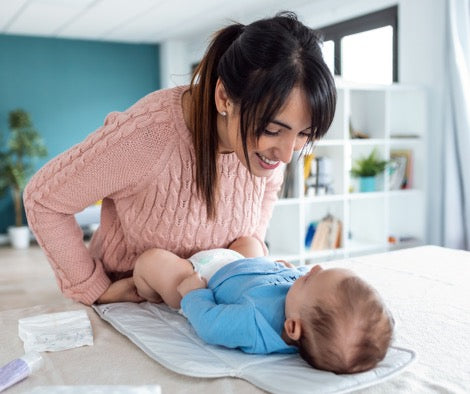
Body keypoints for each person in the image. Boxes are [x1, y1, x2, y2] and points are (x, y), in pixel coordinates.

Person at [23, 11, 336, 306]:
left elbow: (266, 191)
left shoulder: (270, 154)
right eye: (271, 130)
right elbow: (43, 199)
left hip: (206, 307)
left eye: (304, 135)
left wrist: (250, 255)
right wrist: (95, 287)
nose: (285, 154)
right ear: (225, 98)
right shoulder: (147, 137)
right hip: (135, 308)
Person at [133, 236, 394, 374]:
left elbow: (210, 325)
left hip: (201, 277)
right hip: (242, 263)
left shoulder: (255, 325)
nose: (313, 268)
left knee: (152, 261)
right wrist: (294, 274)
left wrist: (195, 294)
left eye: (308, 280)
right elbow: (303, 283)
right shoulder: (304, 307)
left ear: (292, 328)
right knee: (252, 242)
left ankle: (144, 292)